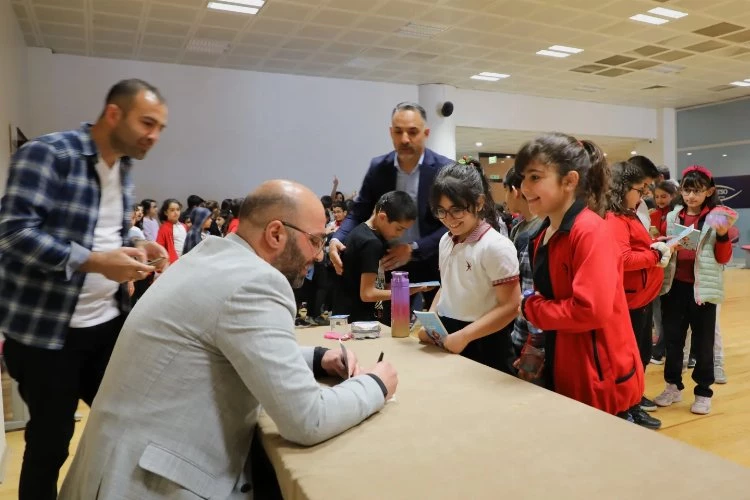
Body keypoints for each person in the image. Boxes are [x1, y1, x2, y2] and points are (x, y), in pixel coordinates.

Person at [58, 180, 397, 500]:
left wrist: (318, 357)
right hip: (151, 484)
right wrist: (375, 384)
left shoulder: (209, 258)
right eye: (316, 240)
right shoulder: (257, 281)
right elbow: (307, 420)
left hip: (115, 470)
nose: (320, 255)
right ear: (276, 234)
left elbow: (221, 347)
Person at [0, 78, 169, 500]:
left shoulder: (123, 166)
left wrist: (135, 244)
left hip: (105, 325)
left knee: (129, 422)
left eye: (160, 128)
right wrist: (94, 261)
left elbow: (103, 231)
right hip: (46, 334)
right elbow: (13, 232)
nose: (154, 135)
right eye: (147, 123)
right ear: (114, 114)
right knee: (50, 443)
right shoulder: (49, 154)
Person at [515, 133, 643, 417]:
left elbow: (590, 311)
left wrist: (531, 308)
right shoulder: (544, 232)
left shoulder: (589, 231)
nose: (524, 187)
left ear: (570, 180)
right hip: (567, 363)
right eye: (523, 177)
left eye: (535, 177)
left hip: (599, 375)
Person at [328, 102, 453, 302]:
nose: (405, 139)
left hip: (433, 261)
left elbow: (452, 224)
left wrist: (414, 248)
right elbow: (359, 212)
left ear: (426, 133)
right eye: (398, 132)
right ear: (390, 132)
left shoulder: (444, 170)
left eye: (412, 132)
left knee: (435, 328)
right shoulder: (379, 168)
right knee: (389, 328)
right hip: (387, 264)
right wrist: (336, 238)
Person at [417, 162, 520, 373]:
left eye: (457, 210)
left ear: (479, 203)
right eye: (441, 211)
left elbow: (510, 306)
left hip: (486, 341)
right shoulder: (445, 240)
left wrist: (465, 336)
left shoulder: (496, 246)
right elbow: (447, 285)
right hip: (449, 333)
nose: (449, 219)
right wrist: (431, 320)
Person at [653, 166, 733, 415]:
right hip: (674, 287)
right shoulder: (674, 215)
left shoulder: (716, 216)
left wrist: (721, 236)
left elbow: (723, 258)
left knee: (703, 343)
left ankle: (703, 392)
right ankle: (672, 386)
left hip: (703, 290)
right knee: (674, 341)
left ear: (709, 191)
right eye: (687, 191)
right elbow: (668, 247)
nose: (691, 197)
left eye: (697, 191)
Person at [604, 162, 671, 430]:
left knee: (640, 353)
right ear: (622, 188)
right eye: (639, 189)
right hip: (630, 299)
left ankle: (633, 399)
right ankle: (628, 405)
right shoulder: (615, 218)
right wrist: (654, 255)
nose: (642, 195)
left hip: (641, 296)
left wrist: (655, 245)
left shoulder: (628, 214)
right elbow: (623, 258)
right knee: (630, 357)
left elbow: (634, 248)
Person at [333, 191, 426, 322]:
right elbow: (367, 293)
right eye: (399, 229)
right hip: (359, 319)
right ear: (382, 217)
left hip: (347, 313)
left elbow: (365, 282)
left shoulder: (361, 231)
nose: (400, 235)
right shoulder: (371, 243)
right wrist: (406, 292)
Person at [503, 167, 544, 357]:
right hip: (518, 321)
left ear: (514, 190)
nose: (505, 199)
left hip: (528, 329)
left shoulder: (536, 231)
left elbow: (530, 286)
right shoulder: (519, 227)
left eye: (505, 191)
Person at [649, 181, 678, 365]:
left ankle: (662, 348)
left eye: (664, 196)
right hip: (656, 267)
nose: (660, 200)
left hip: (672, 268)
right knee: (657, 311)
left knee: (668, 312)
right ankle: (661, 346)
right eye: (657, 196)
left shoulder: (675, 215)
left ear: (673, 196)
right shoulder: (652, 214)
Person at [156, 198, 187, 263]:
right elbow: (159, 247)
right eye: (172, 210)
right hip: (173, 263)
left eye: (178, 210)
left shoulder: (184, 226)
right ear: (166, 212)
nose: (176, 212)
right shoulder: (164, 228)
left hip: (184, 260)